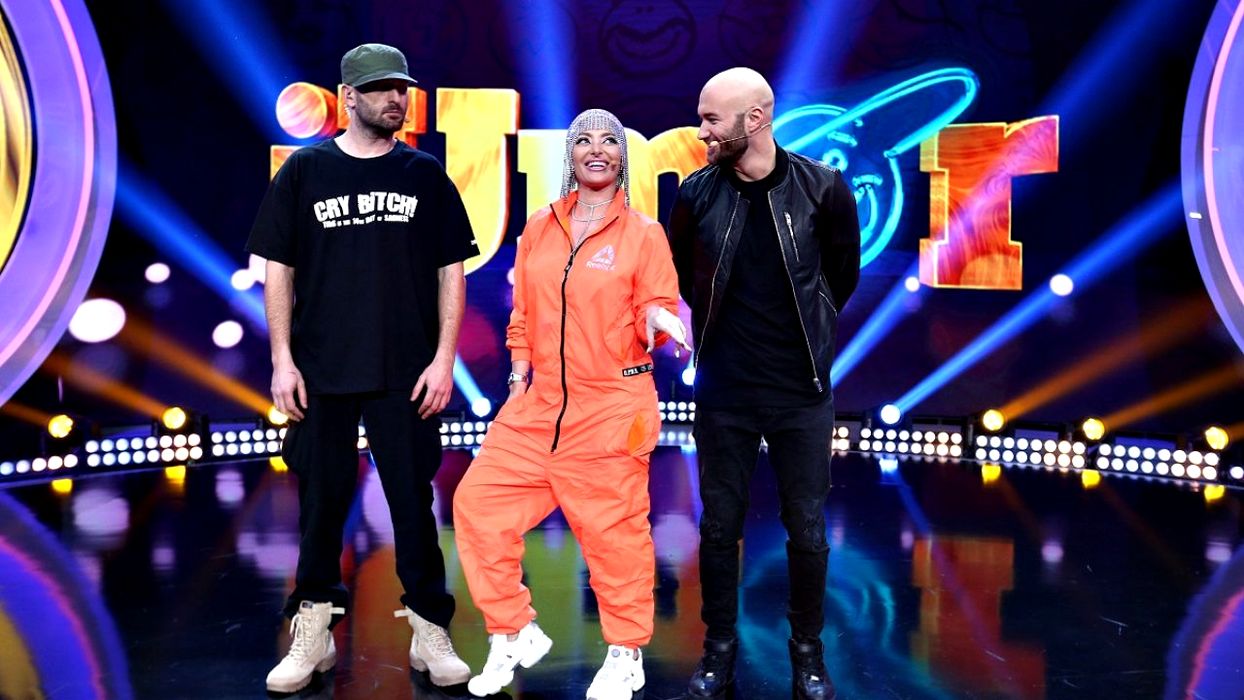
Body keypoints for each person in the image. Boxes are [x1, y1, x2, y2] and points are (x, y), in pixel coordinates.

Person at [246, 43, 476, 694]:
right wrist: (282, 359)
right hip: (321, 369)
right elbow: (279, 271)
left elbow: (451, 272)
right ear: (348, 97)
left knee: (412, 505)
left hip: (407, 370)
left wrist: (444, 359)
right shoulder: (304, 171)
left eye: (401, 88)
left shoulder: (423, 174)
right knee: (321, 505)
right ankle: (314, 627)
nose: (395, 98)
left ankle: (430, 628)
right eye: (380, 89)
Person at [452, 108, 690, 700]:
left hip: (612, 404)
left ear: (622, 156)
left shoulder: (644, 234)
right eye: (584, 140)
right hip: (538, 405)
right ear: (571, 154)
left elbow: (657, 302)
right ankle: (514, 632)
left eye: (609, 140)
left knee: (614, 537)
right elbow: (524, 313)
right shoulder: (540, 226)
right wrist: (517, 375)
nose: (597, 149)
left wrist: (659, 319)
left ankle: (625, 654)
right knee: (478, 507)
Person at [667, 67, 861, 700]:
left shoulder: (823, 188)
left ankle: (808, 655)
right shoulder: (695, 195)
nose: (701, 131)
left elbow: (840, 276)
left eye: (711, 119)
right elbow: (680, 276)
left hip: (800, 393)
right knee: (718, 529)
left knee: (807, 530)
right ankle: (718, 651)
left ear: (755, 119)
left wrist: (809, 336)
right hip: (724, 393)